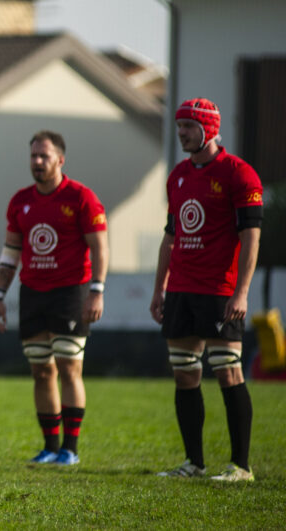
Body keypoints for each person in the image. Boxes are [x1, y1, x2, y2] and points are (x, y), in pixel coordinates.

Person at [150, 98, 263, 482]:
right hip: (181, 289)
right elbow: (170, 237)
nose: (181, 133)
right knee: (184, 373)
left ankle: (241, 466)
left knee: (228, 372)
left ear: (209, 129)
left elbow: (251, 238)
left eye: (188, 127)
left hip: (220, 290)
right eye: (179, 126)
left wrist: (242, 291)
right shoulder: (178, 175)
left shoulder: (239, 174)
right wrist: (158, 289)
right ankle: (194, 464)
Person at [0, 131, 108, 466]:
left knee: (69, 367)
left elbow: (100, 247)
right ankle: (50, 447)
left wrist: (97, 290)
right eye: (33, 156)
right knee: (41, 372)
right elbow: (10, 252)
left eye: (44, 156)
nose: (38, 162)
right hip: (32, 294)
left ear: (60, 159)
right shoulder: (20, 201)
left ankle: (70, 449)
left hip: (71, 293)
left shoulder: (81, 198)